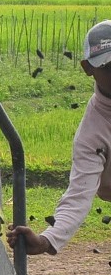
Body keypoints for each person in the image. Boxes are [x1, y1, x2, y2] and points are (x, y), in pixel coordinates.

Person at [10, 20, 111, 256]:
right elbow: (79, 195)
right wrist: (47, 240)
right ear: (88, 68)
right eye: (109, 67)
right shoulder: (92, 135)